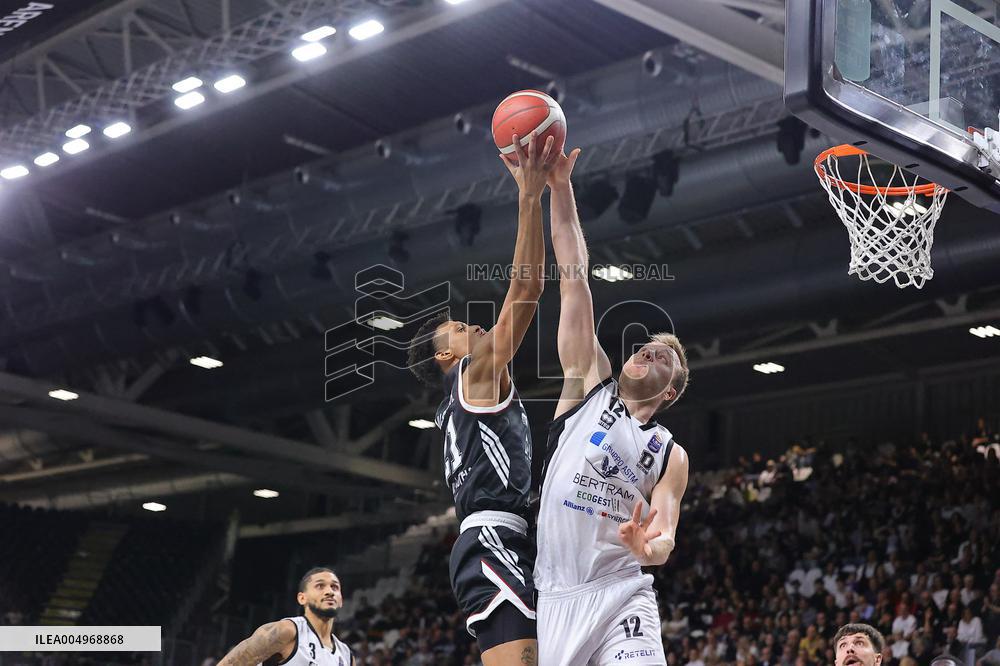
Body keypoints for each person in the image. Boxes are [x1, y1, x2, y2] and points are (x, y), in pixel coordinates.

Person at [533, 146, 690, 665]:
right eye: (646, 347)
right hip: (556, 594)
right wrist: (560, 187)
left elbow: (665, 532)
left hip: (622, 589)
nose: (649, 351)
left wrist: (649, 549)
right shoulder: (588, 383)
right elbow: (573, 274)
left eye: (663, 357)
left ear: (669, 392)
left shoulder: (669, 453)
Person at [407, 132, 557, 665]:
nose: (471, 325)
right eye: (458, 328)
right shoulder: (473, 377)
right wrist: (529, 196)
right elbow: (527, 290)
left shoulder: (461, 402)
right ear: (447, 356)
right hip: (493, 538)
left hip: (506, 535)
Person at [218, 567, 353, 665]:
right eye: (320, 586)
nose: (329, 591)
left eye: (335, 587)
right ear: (302, 598)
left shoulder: (346, 655)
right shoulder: (286, 631)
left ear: (341, 600)